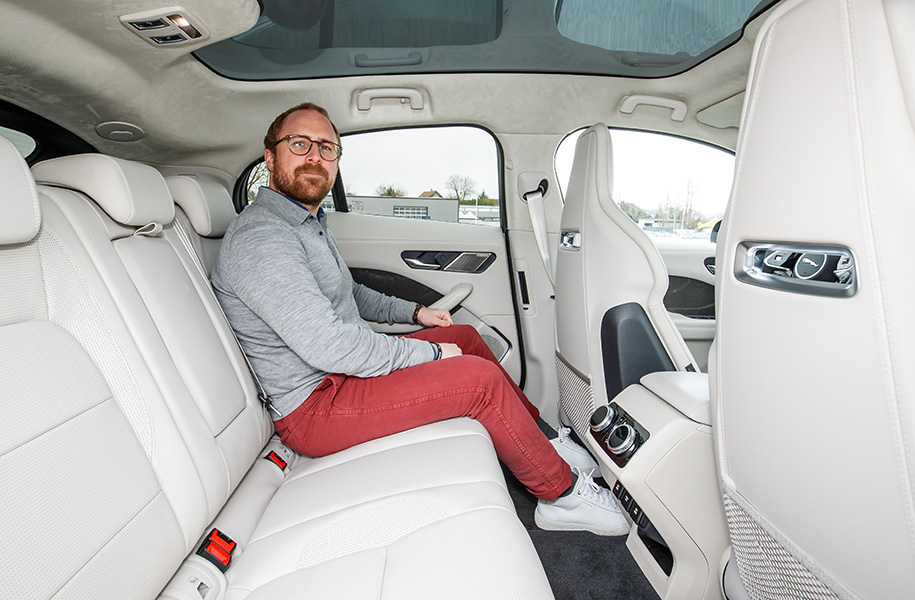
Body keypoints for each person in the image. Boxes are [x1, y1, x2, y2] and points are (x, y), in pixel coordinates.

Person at [211, 101, 629, 536]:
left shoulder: (307, 223)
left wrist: (415, 313)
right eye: (300, 144)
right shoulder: (263, 236)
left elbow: (351, 294)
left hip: (341, 378)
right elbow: (331, 347)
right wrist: (431, 353)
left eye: (326, 147)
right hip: (315, 407)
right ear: (270, 157)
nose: (315, 156)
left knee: (465, 337)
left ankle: (544, 439)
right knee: (478, 381)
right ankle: (561, 496)